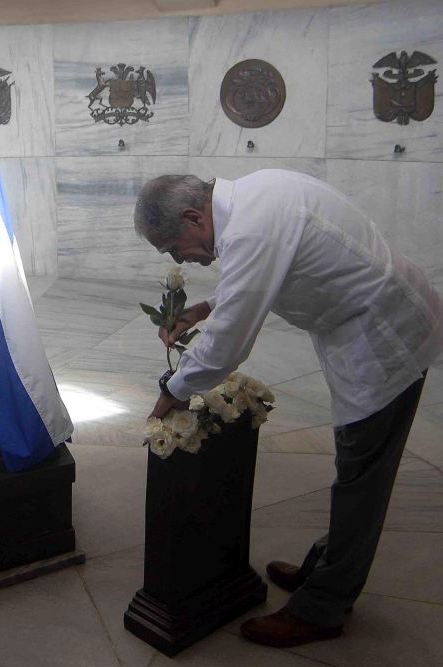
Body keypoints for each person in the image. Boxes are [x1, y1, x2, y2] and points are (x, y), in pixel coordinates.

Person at [134, 169, 443, 648]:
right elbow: (263, 271)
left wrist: (173, 392)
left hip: (386, 339)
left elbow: (229, 343)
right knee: (355, 467)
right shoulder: (256, 197)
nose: (183, 260)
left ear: (195, 217)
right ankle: (325, 565)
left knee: (362, 477)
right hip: (368, 328)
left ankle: (324, 607)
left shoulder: (252, 226)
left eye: (174, 248)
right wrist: (207, 306)